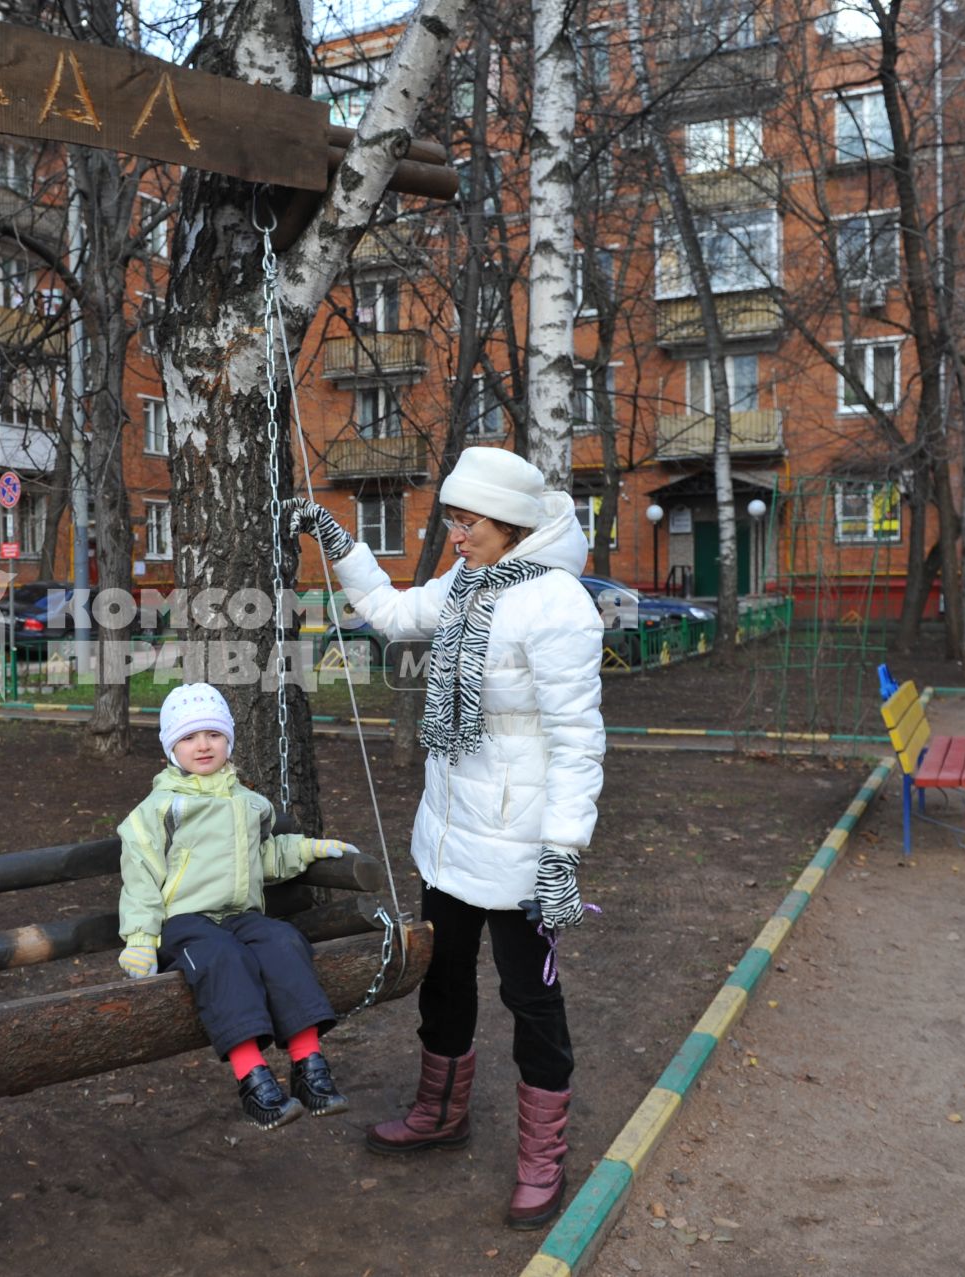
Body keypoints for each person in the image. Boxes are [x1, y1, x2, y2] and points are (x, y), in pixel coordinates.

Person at [283, 446, 605, 1230]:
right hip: (451, 835)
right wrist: (340, 542)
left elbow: (577, 739)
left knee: (532, 999)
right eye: (454, 520)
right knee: (445, 978)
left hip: (525, 849)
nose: (455, 535)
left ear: (512, 524)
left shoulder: (559, 602)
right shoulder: (466, 584)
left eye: (468, 522)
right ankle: (440, 1111)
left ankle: (541, 1155)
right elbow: (392, 615)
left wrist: (562, 852)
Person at [115, 682, 361, 1130]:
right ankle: (252, 1076)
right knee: (222, 959)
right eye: (188, 737)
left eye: (213, 734)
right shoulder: (158, 809)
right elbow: (141, 876)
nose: (202, 745)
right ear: (172, 748)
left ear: (229, 738)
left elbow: (263, 857)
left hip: (240, 915)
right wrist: (140, 938)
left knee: (284, 941)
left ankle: (309, 1066)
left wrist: (307, 850)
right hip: (185, 922)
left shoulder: (249, 803)